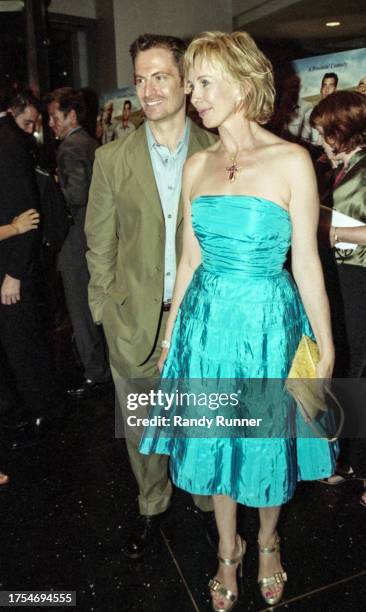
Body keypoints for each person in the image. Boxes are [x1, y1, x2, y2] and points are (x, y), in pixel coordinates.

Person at [139, 31, 337, 610]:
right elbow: (190, 254)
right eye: (192, 82)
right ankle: (230, 550)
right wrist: (174, 326)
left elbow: (306, 261)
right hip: (206, 328)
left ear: (245, 83)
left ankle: (269, 541)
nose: (194, 96)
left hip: (270, 328)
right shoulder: (198, 165)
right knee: (214, 441)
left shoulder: (291, 160)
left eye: (205, 82)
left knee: (266, 443)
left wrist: (323, 350)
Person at [85, 33, 217, 560]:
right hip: (134, 318)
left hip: (201, 318)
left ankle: (211, 506)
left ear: (185, 81)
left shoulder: (218, 150)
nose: (148, 90)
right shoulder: (111, 159)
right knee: (143, 427)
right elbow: (99, 244)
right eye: (140, 79)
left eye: (159, 76)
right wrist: (104, 311)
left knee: (204, 419)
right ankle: (152, 503)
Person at [310, 91, 366, 506]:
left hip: (361, 277)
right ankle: (348, 460)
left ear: (342, 130)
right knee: (347, 366)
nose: (319, 139)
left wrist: (332, 233)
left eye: (323, 131)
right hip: (341, 275)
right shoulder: (342, 167)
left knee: (360, 369)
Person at [46, 87, 110, 398]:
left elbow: (76, 195)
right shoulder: (91, 142)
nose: (51, 124)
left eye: (55, 117)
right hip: (96, 235)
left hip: (76, 240)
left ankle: (94, 373)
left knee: (80, 309)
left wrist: (52, 185)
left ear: (71, 115)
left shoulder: (70, 148)